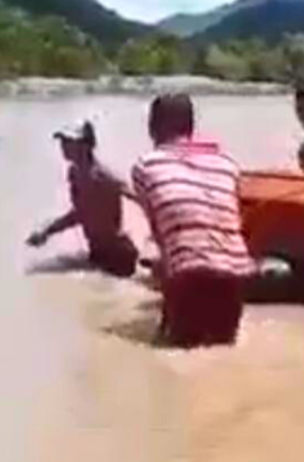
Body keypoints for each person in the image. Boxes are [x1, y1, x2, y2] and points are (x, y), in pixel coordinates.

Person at [132, 94, 255, 349]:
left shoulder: (146, 166)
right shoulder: (227, 164)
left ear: (154, 126)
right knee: (222, 357)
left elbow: (165, 243)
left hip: (188, 274)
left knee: (176, 357)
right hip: (235, 276)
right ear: (191, 126)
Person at [27, 122, 138, 278]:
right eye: (63, 141)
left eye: (69, 141)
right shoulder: (74, 174)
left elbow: (137, 197)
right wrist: (47, 232)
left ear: (86, 145)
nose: (63, 145)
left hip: (118, 255)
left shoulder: (102, 176)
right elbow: (81, 214)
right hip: (97, 252)